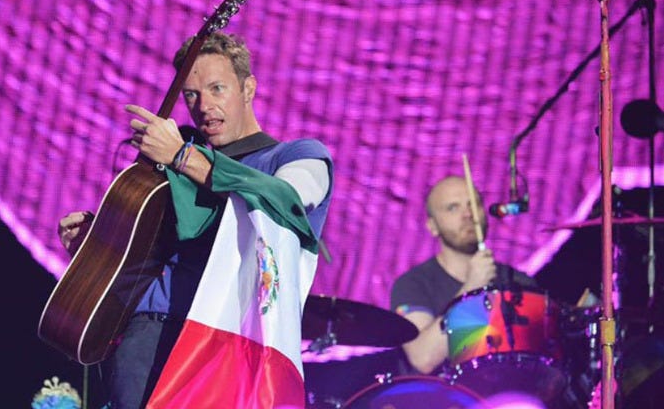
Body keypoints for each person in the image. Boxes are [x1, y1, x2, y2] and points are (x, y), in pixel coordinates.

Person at [58, 32, 333, 409]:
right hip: (151, 333)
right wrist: (102, 244)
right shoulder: (174, 168)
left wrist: (184, 158)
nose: (204, 106)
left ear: (248, 88)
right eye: (191, 94)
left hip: (233, 344)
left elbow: (288, 200)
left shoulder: (298, 155)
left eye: (217, 89)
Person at [389, 175, 535, 375]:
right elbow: (424, 358)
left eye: (474, 204)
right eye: (452, 208)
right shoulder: (413, 285)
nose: (468, 214)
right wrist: (471, 288)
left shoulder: (519, 282)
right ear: (432, 226)